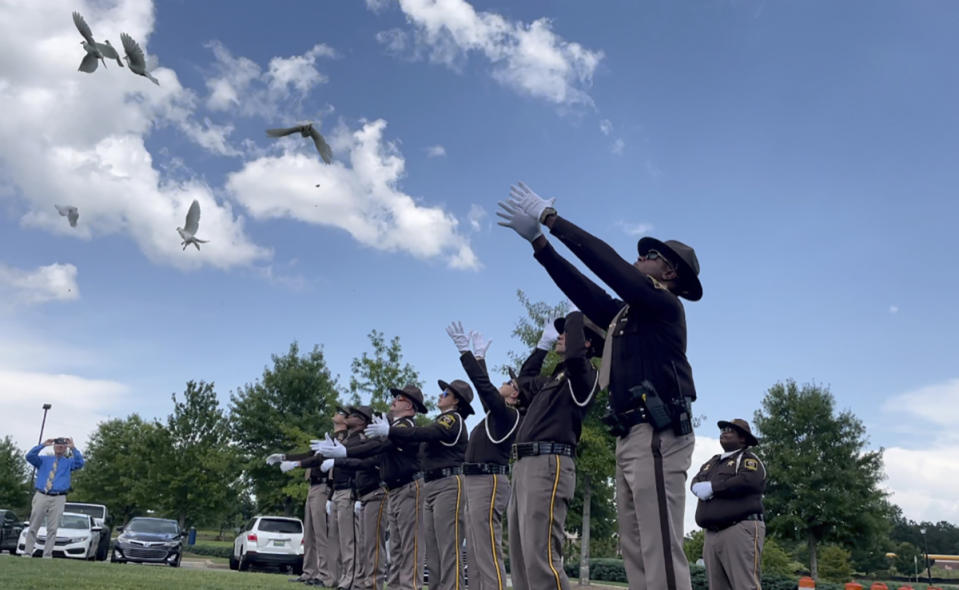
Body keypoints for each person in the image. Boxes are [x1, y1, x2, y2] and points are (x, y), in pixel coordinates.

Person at [497, 182, 703, 590]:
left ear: (670, 272)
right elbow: (585, 290)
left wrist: (553, 221)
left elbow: (610, 267)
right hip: (631, 436)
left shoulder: (664, 306)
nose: (639, 258)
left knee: (659, 545)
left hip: (658, 433)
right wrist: (540, 244)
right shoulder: (629, 315)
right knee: (637, 547)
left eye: (650, 256)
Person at [507, 310, 600, 590]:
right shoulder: (553, 380)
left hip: (549, 463)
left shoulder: (584, 375)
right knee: (522, 554)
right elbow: (523, 380)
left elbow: (574, 358)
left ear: (585, 343)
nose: (560, 335)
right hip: (525, 464)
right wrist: (541, 347)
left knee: (541, 556)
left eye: (567, 333)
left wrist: (576, 312)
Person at [366, 379, 473, 590]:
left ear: (456, 401)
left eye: (445, 394)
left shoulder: (453, 419)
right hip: (431, 484)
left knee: (448, 548)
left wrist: (391, 431)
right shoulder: (438, 420)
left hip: (449, 483)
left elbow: (428, 433)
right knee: (432, 551)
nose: (440, 395)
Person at [318, 387, 427, 590]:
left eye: (399, 398)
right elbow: (375, 447)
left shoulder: (405, 427)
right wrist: (344, 454)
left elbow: (377, 447)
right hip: (394, 490)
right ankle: (394, 586)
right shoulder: (393, 427)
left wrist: (344, 453)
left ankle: (407, 587)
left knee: (409, 546)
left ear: (410, 405)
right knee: (395, 546)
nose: (394, 400)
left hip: (408, 487)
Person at [446, 322, 522, 590]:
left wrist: (466, 354)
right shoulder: (497, 414)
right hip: (476, 481)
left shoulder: (509, 415)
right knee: (477, 549)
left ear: (515, 393)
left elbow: (485, 388)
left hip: (488, 482)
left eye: (509, 382)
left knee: (487, 550)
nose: (503, 382)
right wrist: (481, 359)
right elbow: (486, 392)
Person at [268, 406, 348, 586]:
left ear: (346, 420)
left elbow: (316, 460)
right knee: (310, 533)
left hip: (323, 487)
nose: (336, 414)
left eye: (341, 413)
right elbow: (310, 455)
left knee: (321, 534)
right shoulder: (331, 437)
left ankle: (324, 574)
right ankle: (309, 571)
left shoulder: (342, 439)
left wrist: (295, 464)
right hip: (313, 488)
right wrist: (284, 457)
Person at [691, 419, 766, 590]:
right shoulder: (713, 462)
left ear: (743, 439)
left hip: (739, 528)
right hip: (711, 532)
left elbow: (747, 481)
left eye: (730, 430)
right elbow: (697, 480)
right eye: (723, 429)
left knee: (745, 585)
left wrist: (714, 487)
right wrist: (697, 486)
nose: (724, 432)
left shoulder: (748, 460)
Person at [23, 437, 85, 558]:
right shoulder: (43, 460)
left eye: (63, 446)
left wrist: (73, 448)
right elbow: (29, 456)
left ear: (65, 448)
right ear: (54, 446)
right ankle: (27, 552)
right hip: (42, 494)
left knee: (52, 528)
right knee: (33, 525)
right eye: (57, 445)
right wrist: (42, 445)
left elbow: (80, 463)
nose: (60, 448)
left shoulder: (68, 462)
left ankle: (47, 554)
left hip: (58, 497)